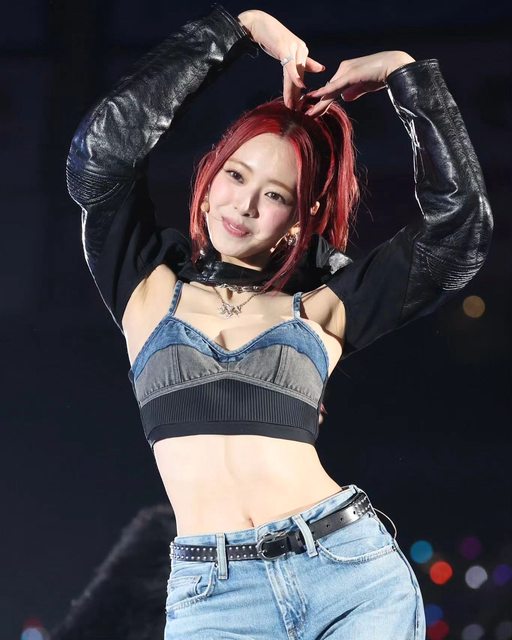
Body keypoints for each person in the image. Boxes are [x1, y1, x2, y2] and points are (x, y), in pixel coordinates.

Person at [66, 5, 492, 639]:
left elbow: (459, 234)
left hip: (349, 574)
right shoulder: (146, 287)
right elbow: (99, 157)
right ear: (208, 180)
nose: (244, 204)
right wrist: (237, 30)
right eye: (236, 175)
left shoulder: (322, 306)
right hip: (213, 598)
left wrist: (404, 75)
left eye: (275, 194)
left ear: (298, 219)